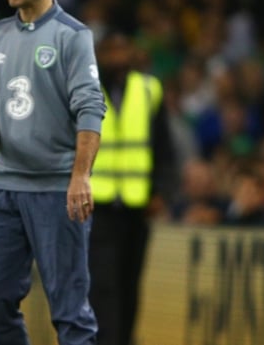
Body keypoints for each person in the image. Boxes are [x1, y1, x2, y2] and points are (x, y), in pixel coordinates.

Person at [0, 0, 106, 345]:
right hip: (3, 187)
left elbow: (90, 109)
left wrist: (80, 175)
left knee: (69, 311)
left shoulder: (73, 36)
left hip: (55, 189)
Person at [88, 31, 175, 345]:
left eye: (121, 48)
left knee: (129, 284)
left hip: (137, 207)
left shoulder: (149, 90)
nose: (116, 56)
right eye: (110, 50)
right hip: (97, 206)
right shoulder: (85, 90)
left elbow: (164, 148)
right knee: (103, 286)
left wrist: (161, 192)